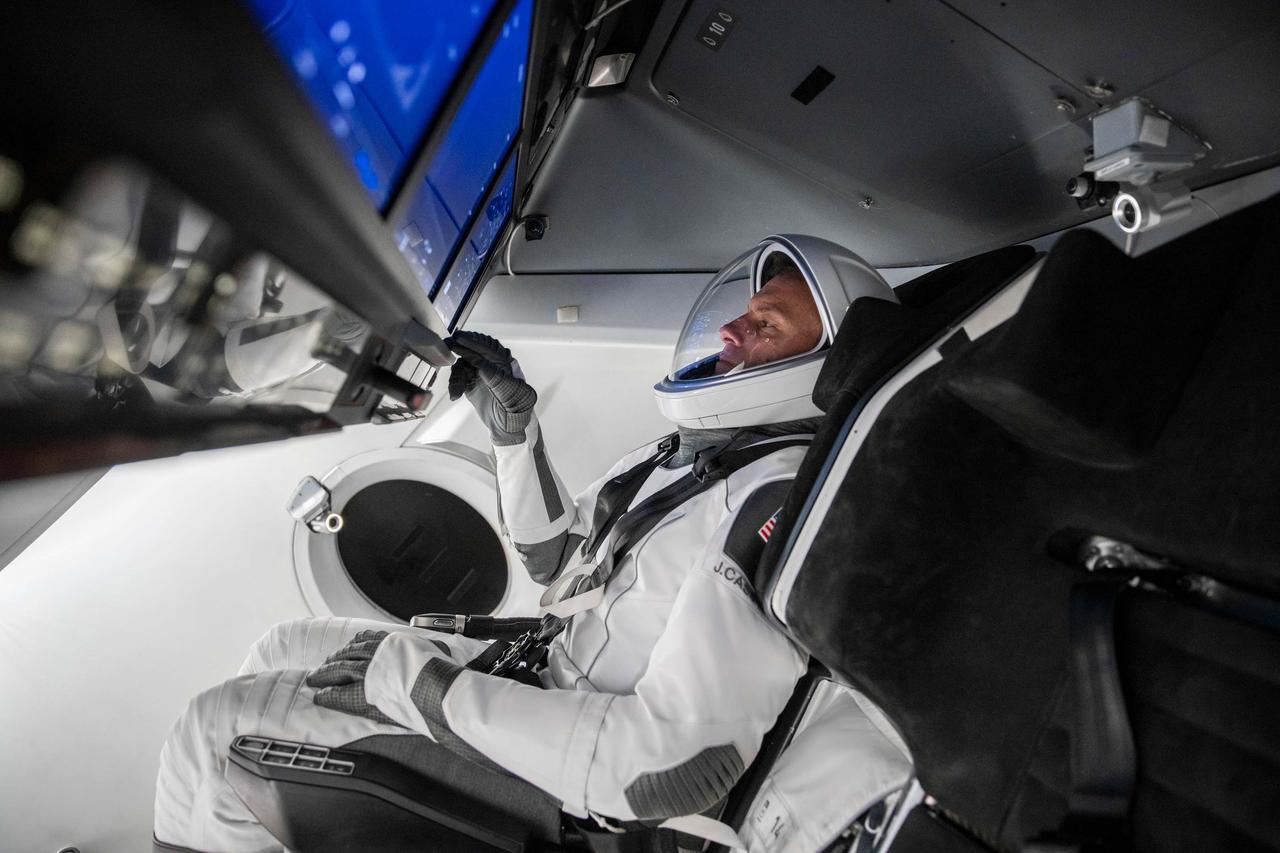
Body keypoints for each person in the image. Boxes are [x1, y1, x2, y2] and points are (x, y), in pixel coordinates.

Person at [153, 236, 898, 852]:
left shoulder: (781, 497)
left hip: (568, 778)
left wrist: (415, 683)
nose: (732, 331)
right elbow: (557, 562)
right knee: (284, 642)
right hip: (536, 681)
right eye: (745, 316)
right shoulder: (701, 455)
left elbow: (668, 772)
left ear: (824, 368)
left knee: (211, 730)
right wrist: (515, 437)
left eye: (765, 326)